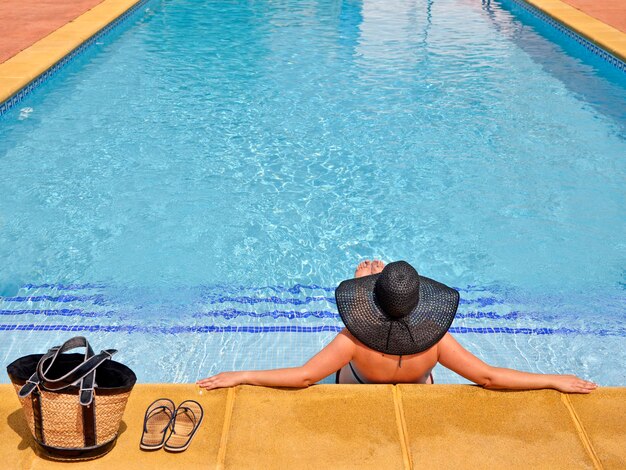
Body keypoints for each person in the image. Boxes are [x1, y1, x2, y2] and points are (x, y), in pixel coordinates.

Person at [197, 260, 597, 394]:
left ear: (369, 306)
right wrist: (552, 379)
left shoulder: (353, 340)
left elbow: (303, 377)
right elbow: (489, 377)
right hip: (416, 383)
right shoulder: (437, 342)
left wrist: (242, 375)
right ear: (420, 303)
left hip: (358, 383)